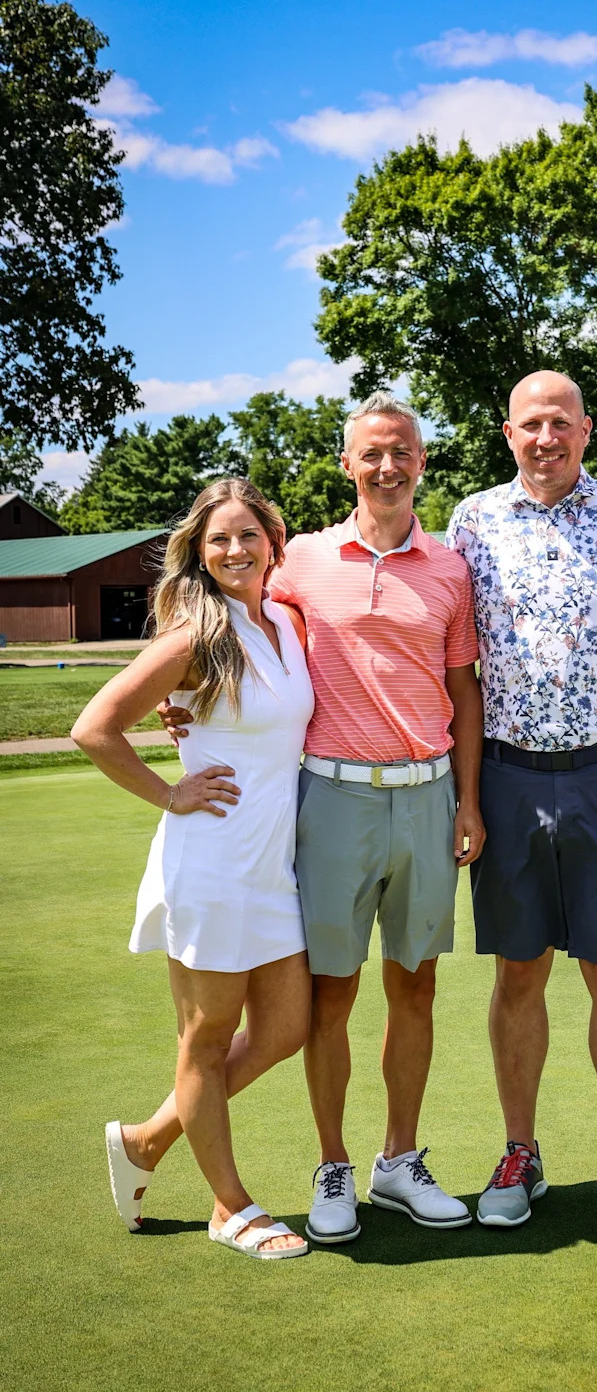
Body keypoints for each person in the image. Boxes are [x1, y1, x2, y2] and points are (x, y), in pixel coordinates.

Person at [162, 392, 485, 1244]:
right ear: (347, 463)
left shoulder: (450, 566)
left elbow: (463, 691)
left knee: (416, 985)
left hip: (427, 794)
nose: (387, 466)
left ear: (422, 461)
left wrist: (471, 800)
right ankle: (334, 1165)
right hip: (332, 798)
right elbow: (209, 604)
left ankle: (399, 1162)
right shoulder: (297, 557)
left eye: (402, 452)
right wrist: (178, 698)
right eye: (371, 453)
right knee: (331, 996)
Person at [446, 370, 597, 1237]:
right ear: (509, 433)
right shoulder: (472, 519)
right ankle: (520, 1151)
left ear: (586, 429)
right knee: (520, 970)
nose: (547, 438)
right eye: (531, 425)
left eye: (562, 424)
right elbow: (446, 655)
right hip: (505, 773)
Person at [72, 479, 315, 1260]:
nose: (235, 550)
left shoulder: (284, 619)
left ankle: (146, 1138)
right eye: (218, 539)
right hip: (210, 863)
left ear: (274, 540)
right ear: (198, 553)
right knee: (206, 1038)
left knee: (284, 1029)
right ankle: (228, 1205)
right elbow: (94, 727)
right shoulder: (192, 636)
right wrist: (170, 793)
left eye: (248, 535)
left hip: (274, 864)